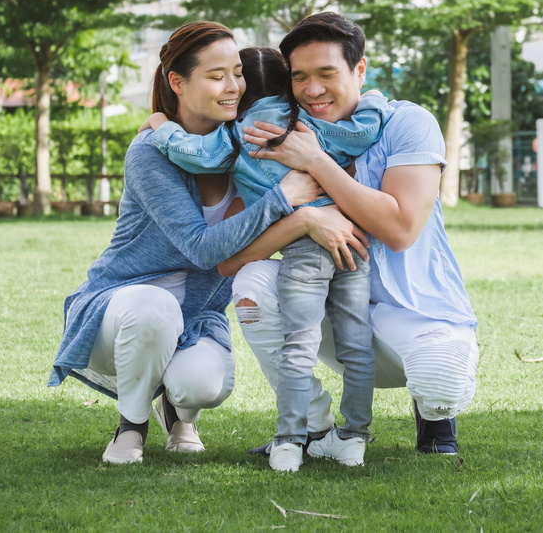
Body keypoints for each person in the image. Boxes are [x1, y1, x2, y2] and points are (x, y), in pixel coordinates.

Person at [47, 21, 364, 464]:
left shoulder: (247, 154)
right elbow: (202, 249)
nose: (234, 86)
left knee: (205, 384)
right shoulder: (151, 152)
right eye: (217, 76)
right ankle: (131, 426)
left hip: (194, 317)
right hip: (118, 308)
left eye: (238, 73)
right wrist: (287, 202)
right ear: (177, 82)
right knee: (152, 308)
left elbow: (239, 257)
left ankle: (178, 412)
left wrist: (307, 214)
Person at [221, 13, 479, 455]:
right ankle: (313, 428)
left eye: (327, 74)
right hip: (330, 311)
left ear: (359, 70)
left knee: (440, 381)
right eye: (299, 77)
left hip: (413, 314)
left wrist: (316, 162)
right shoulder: (277, 137)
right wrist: (302, 220)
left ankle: (434, 414)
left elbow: (400, 229)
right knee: (250, 286)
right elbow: (230, 259)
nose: (313, 89)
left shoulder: (407, 122)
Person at [143, 47, 392, 471]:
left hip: (305, 248)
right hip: (351, 241)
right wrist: (375, 100)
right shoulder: (310, 124)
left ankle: (290, 443)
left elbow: (195, 155)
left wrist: (160, 126)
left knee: (298, 344)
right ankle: (352, 441)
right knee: (356, 345)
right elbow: (362, 132)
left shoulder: (239, 133)